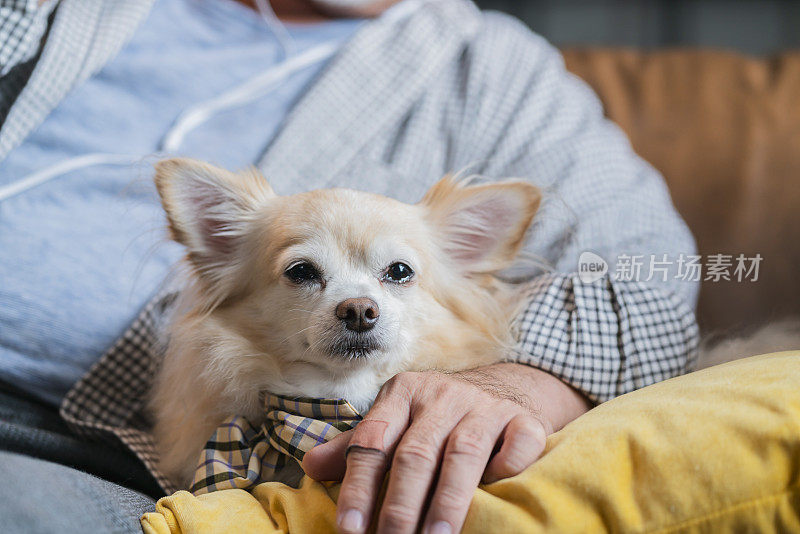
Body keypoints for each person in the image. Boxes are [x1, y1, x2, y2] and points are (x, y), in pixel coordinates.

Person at [0, 0, 699, 532]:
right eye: (306, 272)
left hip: (82, 454)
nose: (358, 303)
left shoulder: (489, 70)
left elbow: (650, 282)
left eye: (396, 274)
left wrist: (511, 388)